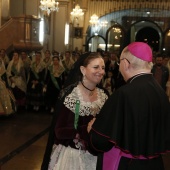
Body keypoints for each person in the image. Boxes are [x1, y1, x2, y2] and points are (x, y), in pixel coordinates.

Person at [88, 42, 170, 170]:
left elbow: (100, 142)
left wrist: (91, 130)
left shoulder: (124, 93)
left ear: (126, 63)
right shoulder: (161, 92)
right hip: (156, 165)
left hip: (128, 165)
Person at [41, 52, 109, 170]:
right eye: (96, 67)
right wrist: (85, 130)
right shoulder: (71, 95)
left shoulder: (104, 96)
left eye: (103, 68)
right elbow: (59, 131)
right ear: (83, 70)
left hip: (98, 156)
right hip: (73, 157)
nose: (101, 71)